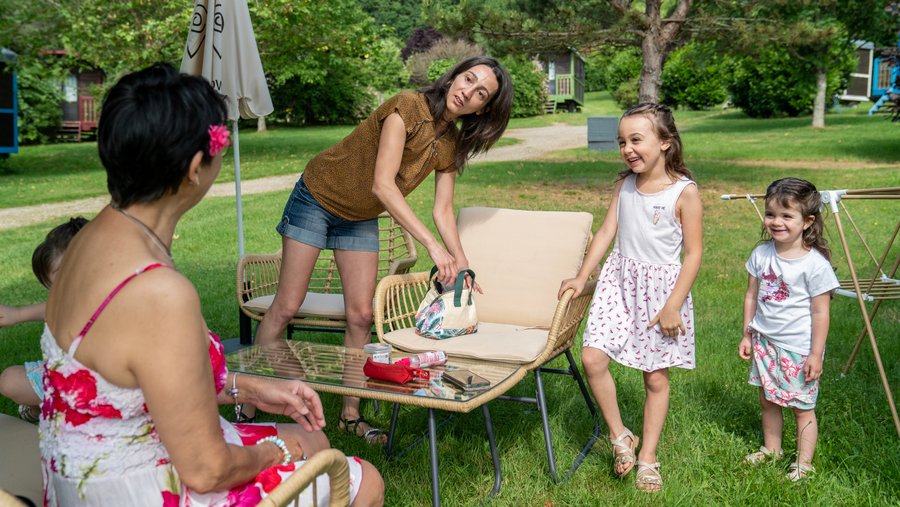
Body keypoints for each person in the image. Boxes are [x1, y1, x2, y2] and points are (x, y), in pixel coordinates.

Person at [39, 63, 383, 506]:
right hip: (143, 489)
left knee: (312, 441)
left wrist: (250, 387)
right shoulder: (159, 292)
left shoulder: (89, 241)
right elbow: (206, 471)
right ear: (196, 167)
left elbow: (141, 378)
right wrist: (282, 448)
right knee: (361, 478)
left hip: (83, 478)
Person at [252, 56, 514, 443]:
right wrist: (431, 247)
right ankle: (252, 397)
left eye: (480, 93)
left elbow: (442, 211)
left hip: (358, 216)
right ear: (454, 76)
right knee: (287, 306)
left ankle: (350, 415)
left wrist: (461, 263)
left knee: (360, 316)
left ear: (484, 108)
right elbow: (382, 185)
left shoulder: (449, 143)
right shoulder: (406, 106)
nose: (467, 91)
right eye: (468, 78)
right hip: (318, 196)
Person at [558, 103, 703, 492]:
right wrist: (581, 276)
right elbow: (606, 233)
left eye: (636, 140)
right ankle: (621, 436)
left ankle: (648, 458)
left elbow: (694, 254)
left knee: (654, 377)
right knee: (592, 357)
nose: (627, 148)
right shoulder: (624, 185)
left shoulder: (684, 193)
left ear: (666, 143)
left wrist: (673, 304)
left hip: (660, 295)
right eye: (622, 141)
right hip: (618, 283)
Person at [738, 177, 839, 482]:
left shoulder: (815, 265)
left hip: (798, 349)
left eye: (786, 216)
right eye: (771, 214)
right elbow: (751, 296)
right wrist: (747, 333)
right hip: (765, 342)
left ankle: (804, 463)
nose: (776, 222)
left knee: (801, 407)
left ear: (808, 221)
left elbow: (821, 312)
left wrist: (816, 354)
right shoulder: (761, 255)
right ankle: (772, 449)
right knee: (768, 400)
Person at [0, 217, 88, 422]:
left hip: (107, 387)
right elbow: (51, 309)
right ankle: (45, 408)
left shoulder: (121, 300)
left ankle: (56, 410)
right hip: (64, 379)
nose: (64, 294)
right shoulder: (64, 303)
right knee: (9, 380)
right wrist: (15, 315)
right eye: (56, 288)